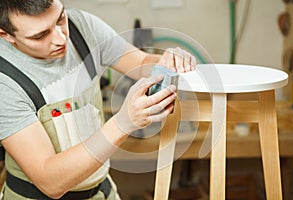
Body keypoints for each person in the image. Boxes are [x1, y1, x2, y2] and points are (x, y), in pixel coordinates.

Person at [0, 0, 196, 199]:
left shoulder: (81, 26)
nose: (60, 38)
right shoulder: (4, 81)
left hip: (99, 189)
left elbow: (140, 62)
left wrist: (166, 61)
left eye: (60, 19)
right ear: (6, 35)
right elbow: (50, 182)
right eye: (40, 35)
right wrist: (123, 123)